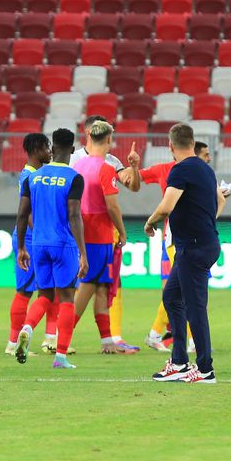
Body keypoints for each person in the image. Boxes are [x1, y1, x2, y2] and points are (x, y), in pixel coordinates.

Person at [147, 123, 223, 384]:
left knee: (195, 308)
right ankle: (179, 362)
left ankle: (205, 369)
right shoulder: (205, 169)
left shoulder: (180, 170)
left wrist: (150, 222)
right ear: (192, 142)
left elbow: (166, 206)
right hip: (197, 244)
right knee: (172, 297)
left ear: (170, 146)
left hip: (193, 247)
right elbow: (219, 201)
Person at [13, 128, 87, 369]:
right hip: (63, 244)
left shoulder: (33, 177)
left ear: (53, 148)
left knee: (44, 295)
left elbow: (22, 214)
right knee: (66, 298)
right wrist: (83, 253)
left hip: (38, 244)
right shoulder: (74, 178)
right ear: (72, 150)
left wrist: (22, 246)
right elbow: (74, 215)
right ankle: (61, 357)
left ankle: (27, 328)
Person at [73, 115, 141, 352]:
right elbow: (112, 206)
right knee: (88, 285)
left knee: (102, 286)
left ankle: (107, 342)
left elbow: (133, 185)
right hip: (98, 232)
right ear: (109, 138)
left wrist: (134, 168)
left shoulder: (81, 165)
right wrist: (122, 231)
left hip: (87, 229)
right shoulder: (103, 167)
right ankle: (61, 338)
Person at [5, 132, 55, 357]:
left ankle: (49, 338)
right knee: (25, 291)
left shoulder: (36, 174)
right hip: (30, 239)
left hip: (36, 238)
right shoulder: (30, 176)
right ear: (36, 150)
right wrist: (43, 235)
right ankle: (12, 343)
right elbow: (29, 213)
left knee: (49, 290)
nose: (49, 152)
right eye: (46, 147)